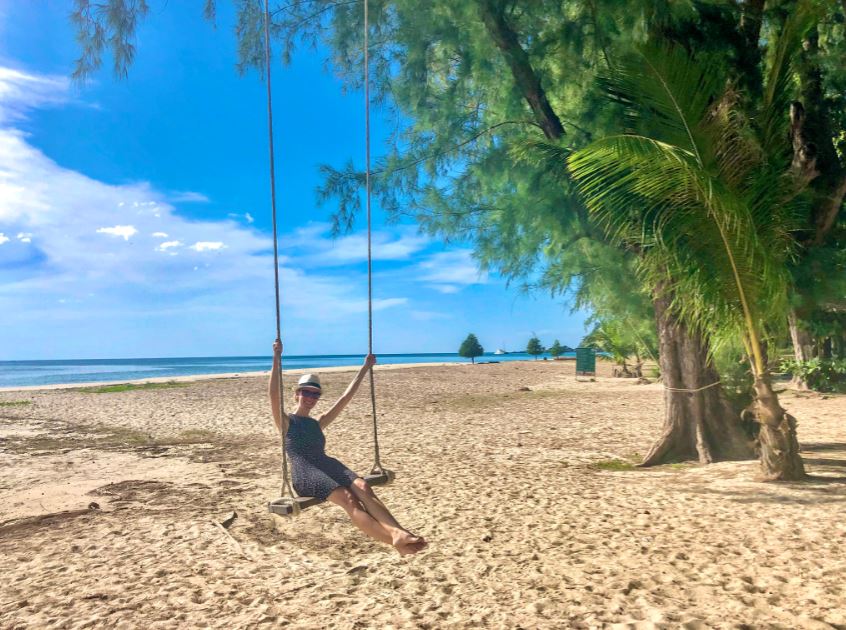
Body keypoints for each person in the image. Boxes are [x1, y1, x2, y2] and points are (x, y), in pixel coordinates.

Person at [269, 340, 427, 556]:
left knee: (362, 487)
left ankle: (399, 532)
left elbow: (345, 398)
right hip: (305, 471)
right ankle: (394, 540)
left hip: (328, 465)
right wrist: (277, 358)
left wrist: (365, 368)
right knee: (348, 498)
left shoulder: (318, 422)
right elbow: (273, 396)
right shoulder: (287, 422)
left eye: (315, 394)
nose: (310, 398)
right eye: (306, 392)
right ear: (296, 394)